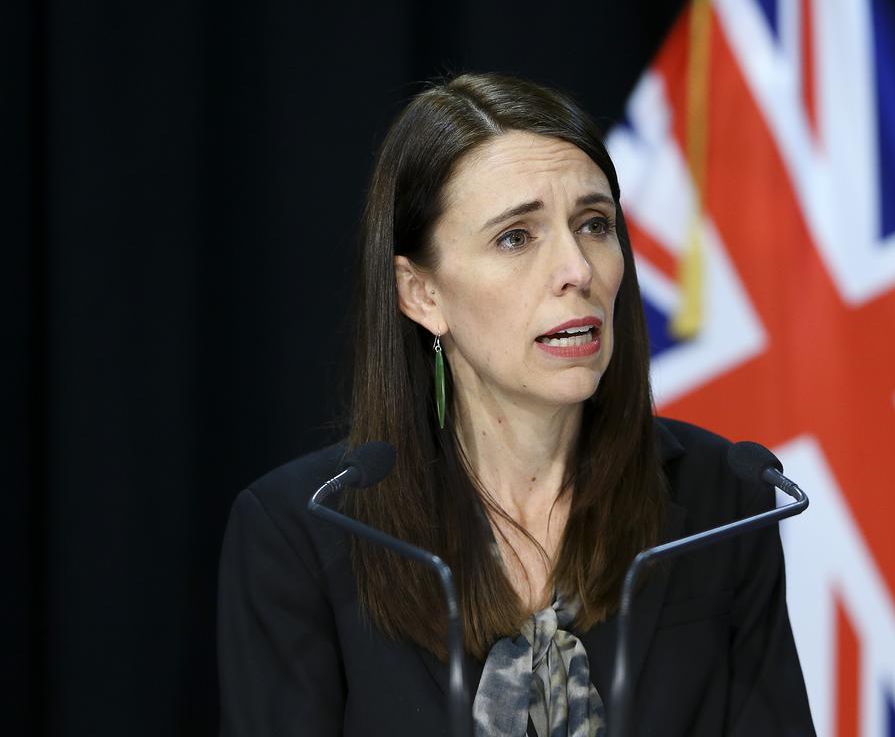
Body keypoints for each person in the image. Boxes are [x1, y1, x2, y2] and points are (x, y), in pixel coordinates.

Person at [217, 73, 815, 736]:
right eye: (516, 237)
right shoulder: (306, 531)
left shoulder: (721, 502)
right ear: (422, 295)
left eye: (594, 225)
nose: (578, 270)